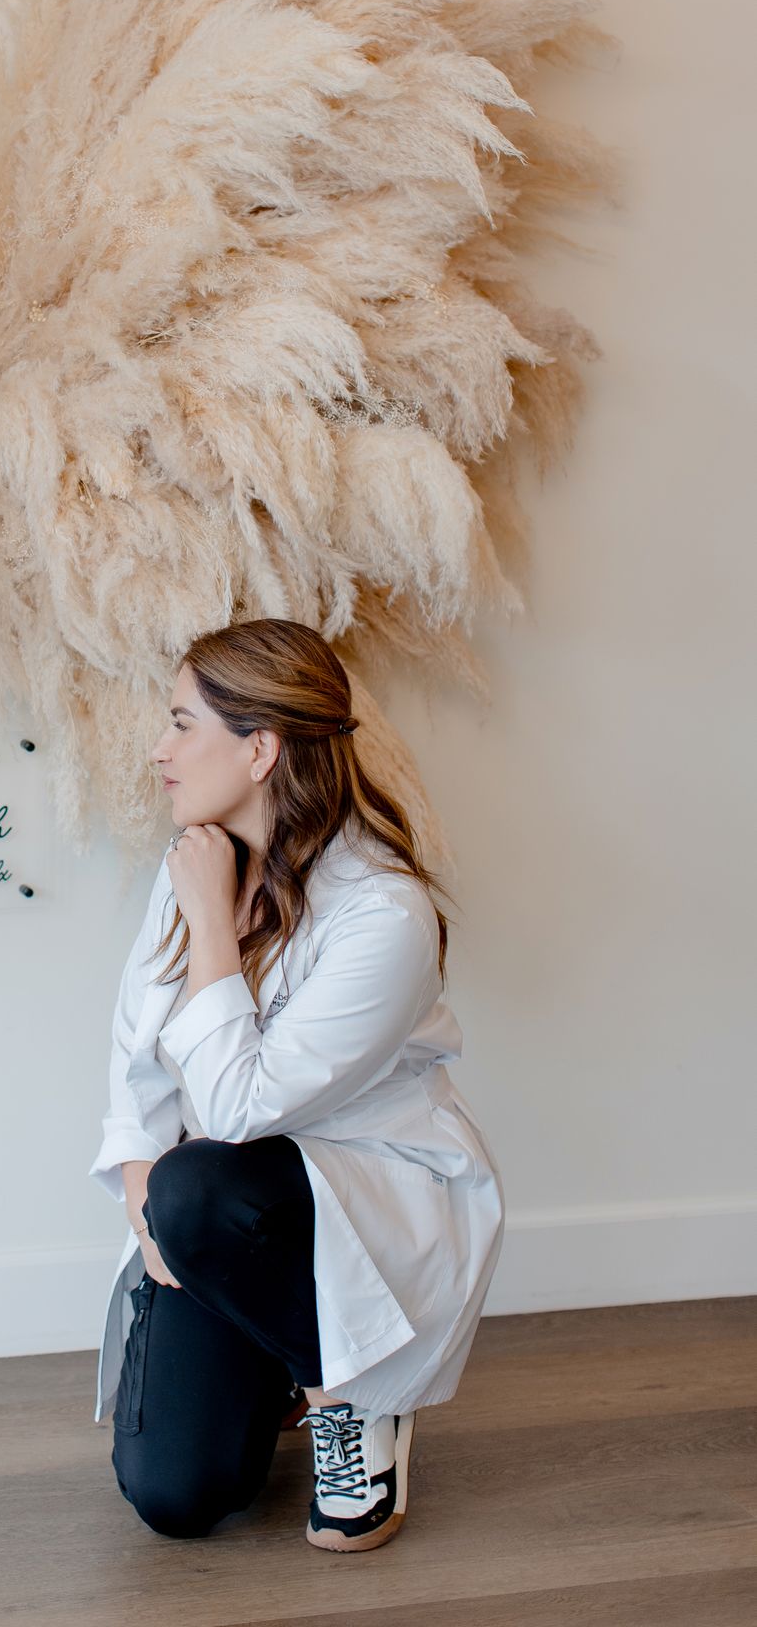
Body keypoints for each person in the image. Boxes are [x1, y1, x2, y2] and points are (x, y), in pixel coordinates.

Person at [87, 617, 505, 1550]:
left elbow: (241, 1109)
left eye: (181, 724)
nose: (159, 750)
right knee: (177, 1496)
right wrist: (139, 1203)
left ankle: (355, 1399)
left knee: (202, 1179)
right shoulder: (200, 859)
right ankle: (284, 1357)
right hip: (216, 1216)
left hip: (349, 1187)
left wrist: (208, 924)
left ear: (261, 748)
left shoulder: (379, 912)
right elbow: (134, 1062)